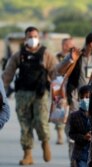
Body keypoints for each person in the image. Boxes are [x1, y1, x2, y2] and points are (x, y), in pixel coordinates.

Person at [2, 26, 58, 165]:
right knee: (25, 124)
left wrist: (58, 93)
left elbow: (55, 74)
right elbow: (7, 75)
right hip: (22, 94)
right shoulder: (19, 55)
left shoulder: (46, 54)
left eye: (34, 36)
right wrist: (2, 90)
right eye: (29, 36)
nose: (32, 39)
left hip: (41, 94)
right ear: (25, 38)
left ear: (38, 37)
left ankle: (45, 142)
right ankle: (28, 154)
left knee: (41, 122)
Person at [56, 32, 92, 167]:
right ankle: (74, 162)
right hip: (76, 100)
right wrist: (70, 59)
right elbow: (60, 71)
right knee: (74, 134)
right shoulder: (77, 57)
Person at [69, 85, 92, 167]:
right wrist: (83, 137)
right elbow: (72, 134)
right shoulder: (74, 116)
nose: (85, 100)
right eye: (82, 97)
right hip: (81, 154)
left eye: (88, 97)